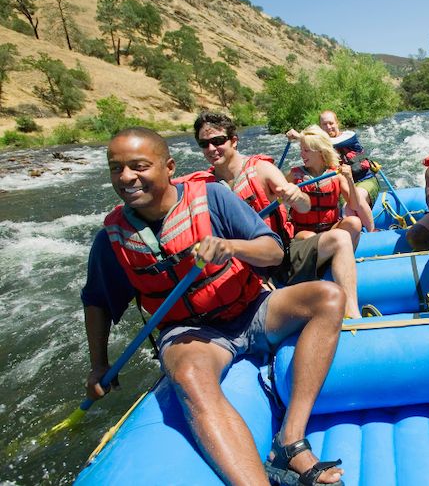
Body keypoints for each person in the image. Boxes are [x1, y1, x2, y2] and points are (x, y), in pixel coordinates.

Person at [81, 127, 345, 486]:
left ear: (169, 167)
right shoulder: (111, 239)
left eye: (138, 166)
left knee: (328, 297)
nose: (126, 177)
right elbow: (97, 300)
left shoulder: (213, 198)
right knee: (189, 375)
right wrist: (98, 365)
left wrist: (230, 246)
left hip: (253, 309)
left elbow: (273, 251)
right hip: (194, 332)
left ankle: (290, 440)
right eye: (116, 169)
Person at [186, 112, 363, 320]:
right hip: (244, 269)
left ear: (233, 141)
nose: (211, 149)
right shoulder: (205, 188)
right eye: (204, 144)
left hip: (284, 256)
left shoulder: (262, 169)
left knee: (342, 237)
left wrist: (297, 196)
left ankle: (352, 315)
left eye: (217, 141)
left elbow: (304, 206)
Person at [287, 110, 377, 232]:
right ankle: (353, 235)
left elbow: (324, 143)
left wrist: (301, 136)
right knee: (346, 209)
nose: (328, 127)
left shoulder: (349, 136)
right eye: (324, 124)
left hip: (363, 179)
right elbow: (318, 143)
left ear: (337, 123)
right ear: (320, 127)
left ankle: (372, 232)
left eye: (331, 123)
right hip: (342, 182)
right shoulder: (318, 145)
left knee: (358, 199)